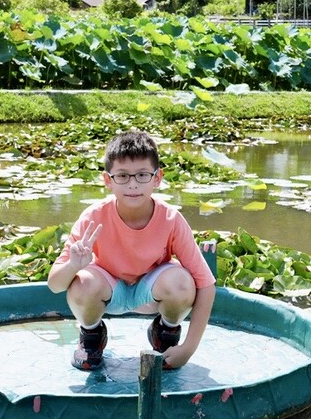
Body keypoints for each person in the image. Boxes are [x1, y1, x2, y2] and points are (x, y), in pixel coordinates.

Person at [48, 130, 216, 371]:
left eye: (142, 175)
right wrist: (74, 265)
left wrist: (189, 348)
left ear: (157, 178)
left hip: (151, 292)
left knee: (182, 282)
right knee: (82, 283)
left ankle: (166, 331)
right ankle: (92, 337)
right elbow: (55, 285)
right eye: (123, 176)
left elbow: (206, 284)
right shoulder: (93, 217)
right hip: (109, 289)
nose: (133, 184)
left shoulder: (171, 219)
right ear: (108, 180)